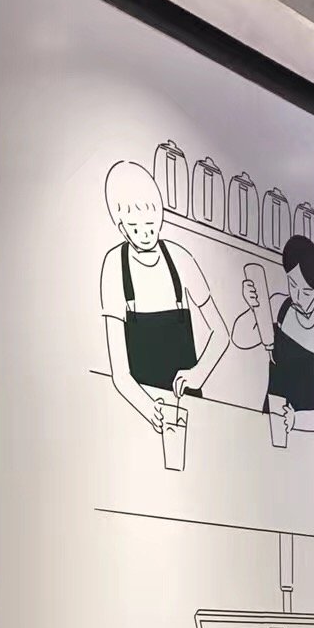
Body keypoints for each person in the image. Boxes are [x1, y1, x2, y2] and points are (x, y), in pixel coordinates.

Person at [100, 161, 229, 433]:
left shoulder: (180, 259)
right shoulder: (114, 266)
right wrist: (149, 409)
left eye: (151, 223)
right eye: (136, 227)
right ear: (121, 227)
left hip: (188, 411)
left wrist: (198, 374)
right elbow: (119, 372)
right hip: (140, 414)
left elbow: (221, 333)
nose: (146, 233)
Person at [232, 235, 314, 432]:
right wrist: (253, 307)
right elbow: (240, 338)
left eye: (306, 292)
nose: (297, 296)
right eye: (293, 284)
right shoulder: (278, 307)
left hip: (311, 435)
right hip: (273, 423)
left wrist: (295, 421)